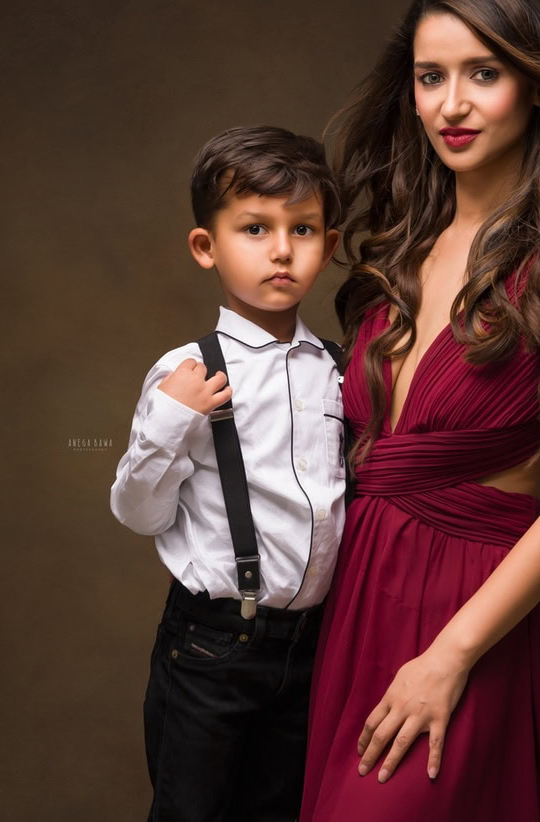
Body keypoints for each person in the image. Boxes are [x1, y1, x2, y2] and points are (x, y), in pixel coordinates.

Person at [299, 0, 540, 821]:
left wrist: (450, 655)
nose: (452, 103)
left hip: (470, 615)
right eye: (430, 77)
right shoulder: (398, 251)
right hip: (355, 602)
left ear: (535, 85)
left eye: (483, 73)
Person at [109, 125, 347, 822]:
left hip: (312, 650)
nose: (282, 249)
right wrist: (170, 418)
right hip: (212, 648)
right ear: (205, 246)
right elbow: (139, 512)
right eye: (254, 228)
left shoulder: (340, 371)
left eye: (303, 229)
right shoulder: (187, 373)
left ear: (330, 244)